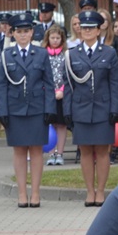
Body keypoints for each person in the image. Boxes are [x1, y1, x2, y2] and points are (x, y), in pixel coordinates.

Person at [0, 12, 56, 207]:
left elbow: (49, 82)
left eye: (26, 31)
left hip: (37, 108)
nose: (22, 35)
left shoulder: (41, 53)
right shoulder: (6, 55)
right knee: (20, 151)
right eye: (19, 31)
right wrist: (2, 111)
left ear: (32, 32)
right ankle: (22, 193)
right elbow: (2, 85)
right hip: (15, 109)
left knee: (37, 150)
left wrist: (50, 108)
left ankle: (36, 193)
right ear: (12, 34)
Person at [64, 10, 118, 206]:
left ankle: (101, 191)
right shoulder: (72, 54)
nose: (87, 31)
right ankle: (90, 191)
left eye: (91, 28)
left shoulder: (109, 52)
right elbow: (68, 86)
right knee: (86, 151)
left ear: (98, 30)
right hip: (80, 109)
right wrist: (67, 111)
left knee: (103, 152)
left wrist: (115, 108)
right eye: (84, 27)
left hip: (103, 109)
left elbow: (114, 83)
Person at [42, 25, 70, 165]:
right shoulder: (42, 54)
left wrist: (62, 90)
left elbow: (68, 74)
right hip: (47, 94)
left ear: (62, 39)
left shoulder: (66, 54)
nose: (54, 40)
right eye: (52, 38)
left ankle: (60, 153)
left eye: (57, 38)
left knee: (61, 125)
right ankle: (50, 153)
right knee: (49, 124)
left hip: (61, 94)